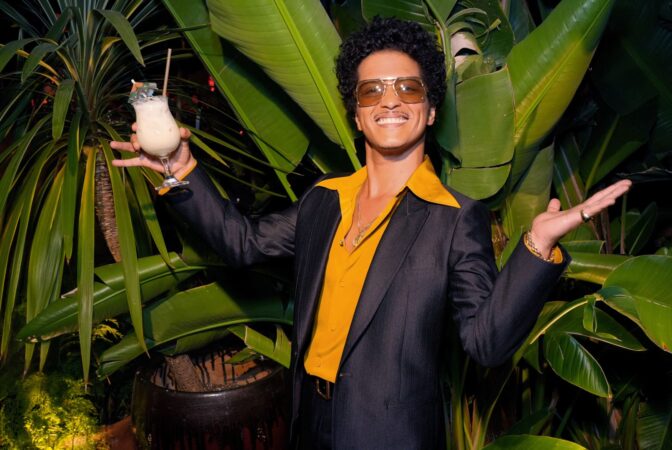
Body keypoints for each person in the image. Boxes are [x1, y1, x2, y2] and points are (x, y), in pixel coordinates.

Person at [111, 17, 631, 450]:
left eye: (408, 88)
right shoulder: (324, 199)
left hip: (391, 434)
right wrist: (180, 170)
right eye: (371, 90)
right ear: (357, 116)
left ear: (430, 110)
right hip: (308, 420)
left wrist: (537, 246)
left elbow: (486, 342)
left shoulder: (454, 217)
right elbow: (242, 244)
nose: (390, 101)